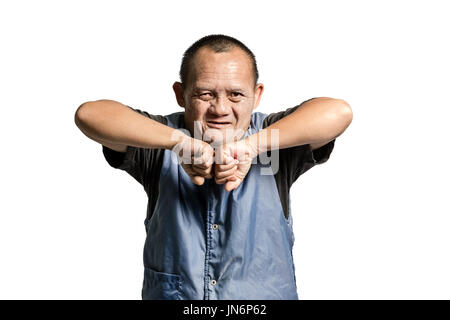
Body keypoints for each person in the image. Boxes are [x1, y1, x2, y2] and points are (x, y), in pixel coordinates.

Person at [74, 34, 353, 300]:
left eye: (235, 95)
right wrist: (177, 142)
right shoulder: (156, 141)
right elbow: (88, 114)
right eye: (206, 94)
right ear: (180, 94)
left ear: (257, 96)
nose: (220, 109)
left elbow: (339, 112)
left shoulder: (277, 140)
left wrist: (252, 146)